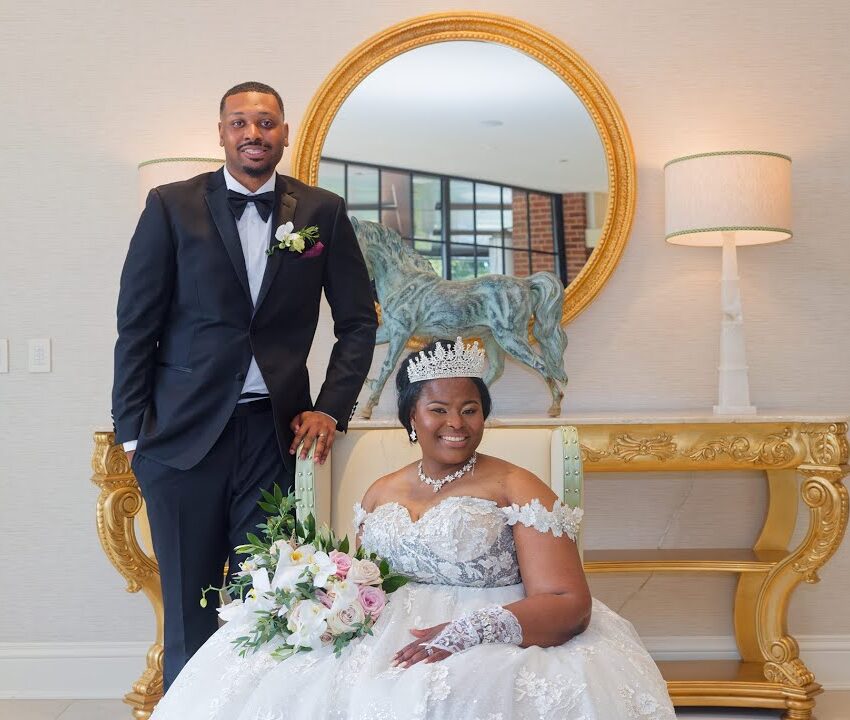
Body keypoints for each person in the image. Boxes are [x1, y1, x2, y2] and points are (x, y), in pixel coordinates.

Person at [149, 338, 676, 719]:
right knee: (269, 676)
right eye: (439, 408)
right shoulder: (380, 491)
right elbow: (354, 579)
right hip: (380, 629)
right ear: (410, 419)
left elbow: (567, 601)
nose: (457, 423)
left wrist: (469, 632)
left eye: (471, 409)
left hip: (495, 628)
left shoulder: (518, 486)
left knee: (432, 696)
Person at [111, 81, 377, 689]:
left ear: (285, 133)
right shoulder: (170, 205)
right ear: (222, 133)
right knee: (188, 612)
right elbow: (136, 325)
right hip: (179, 440)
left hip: (274, 438)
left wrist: (331, 408)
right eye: (239, 122)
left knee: (271, 601)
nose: (253, 133)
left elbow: (359, 323)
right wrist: (134, 436)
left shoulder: (321, 212)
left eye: (266, 122)